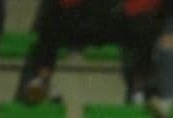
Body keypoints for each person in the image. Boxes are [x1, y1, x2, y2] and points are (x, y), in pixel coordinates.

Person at [14, 0, 161, 105]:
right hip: (86, 18)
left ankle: (139, 89)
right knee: (53, 18)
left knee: (144, 27)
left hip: (118, 18)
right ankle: (41, 80)